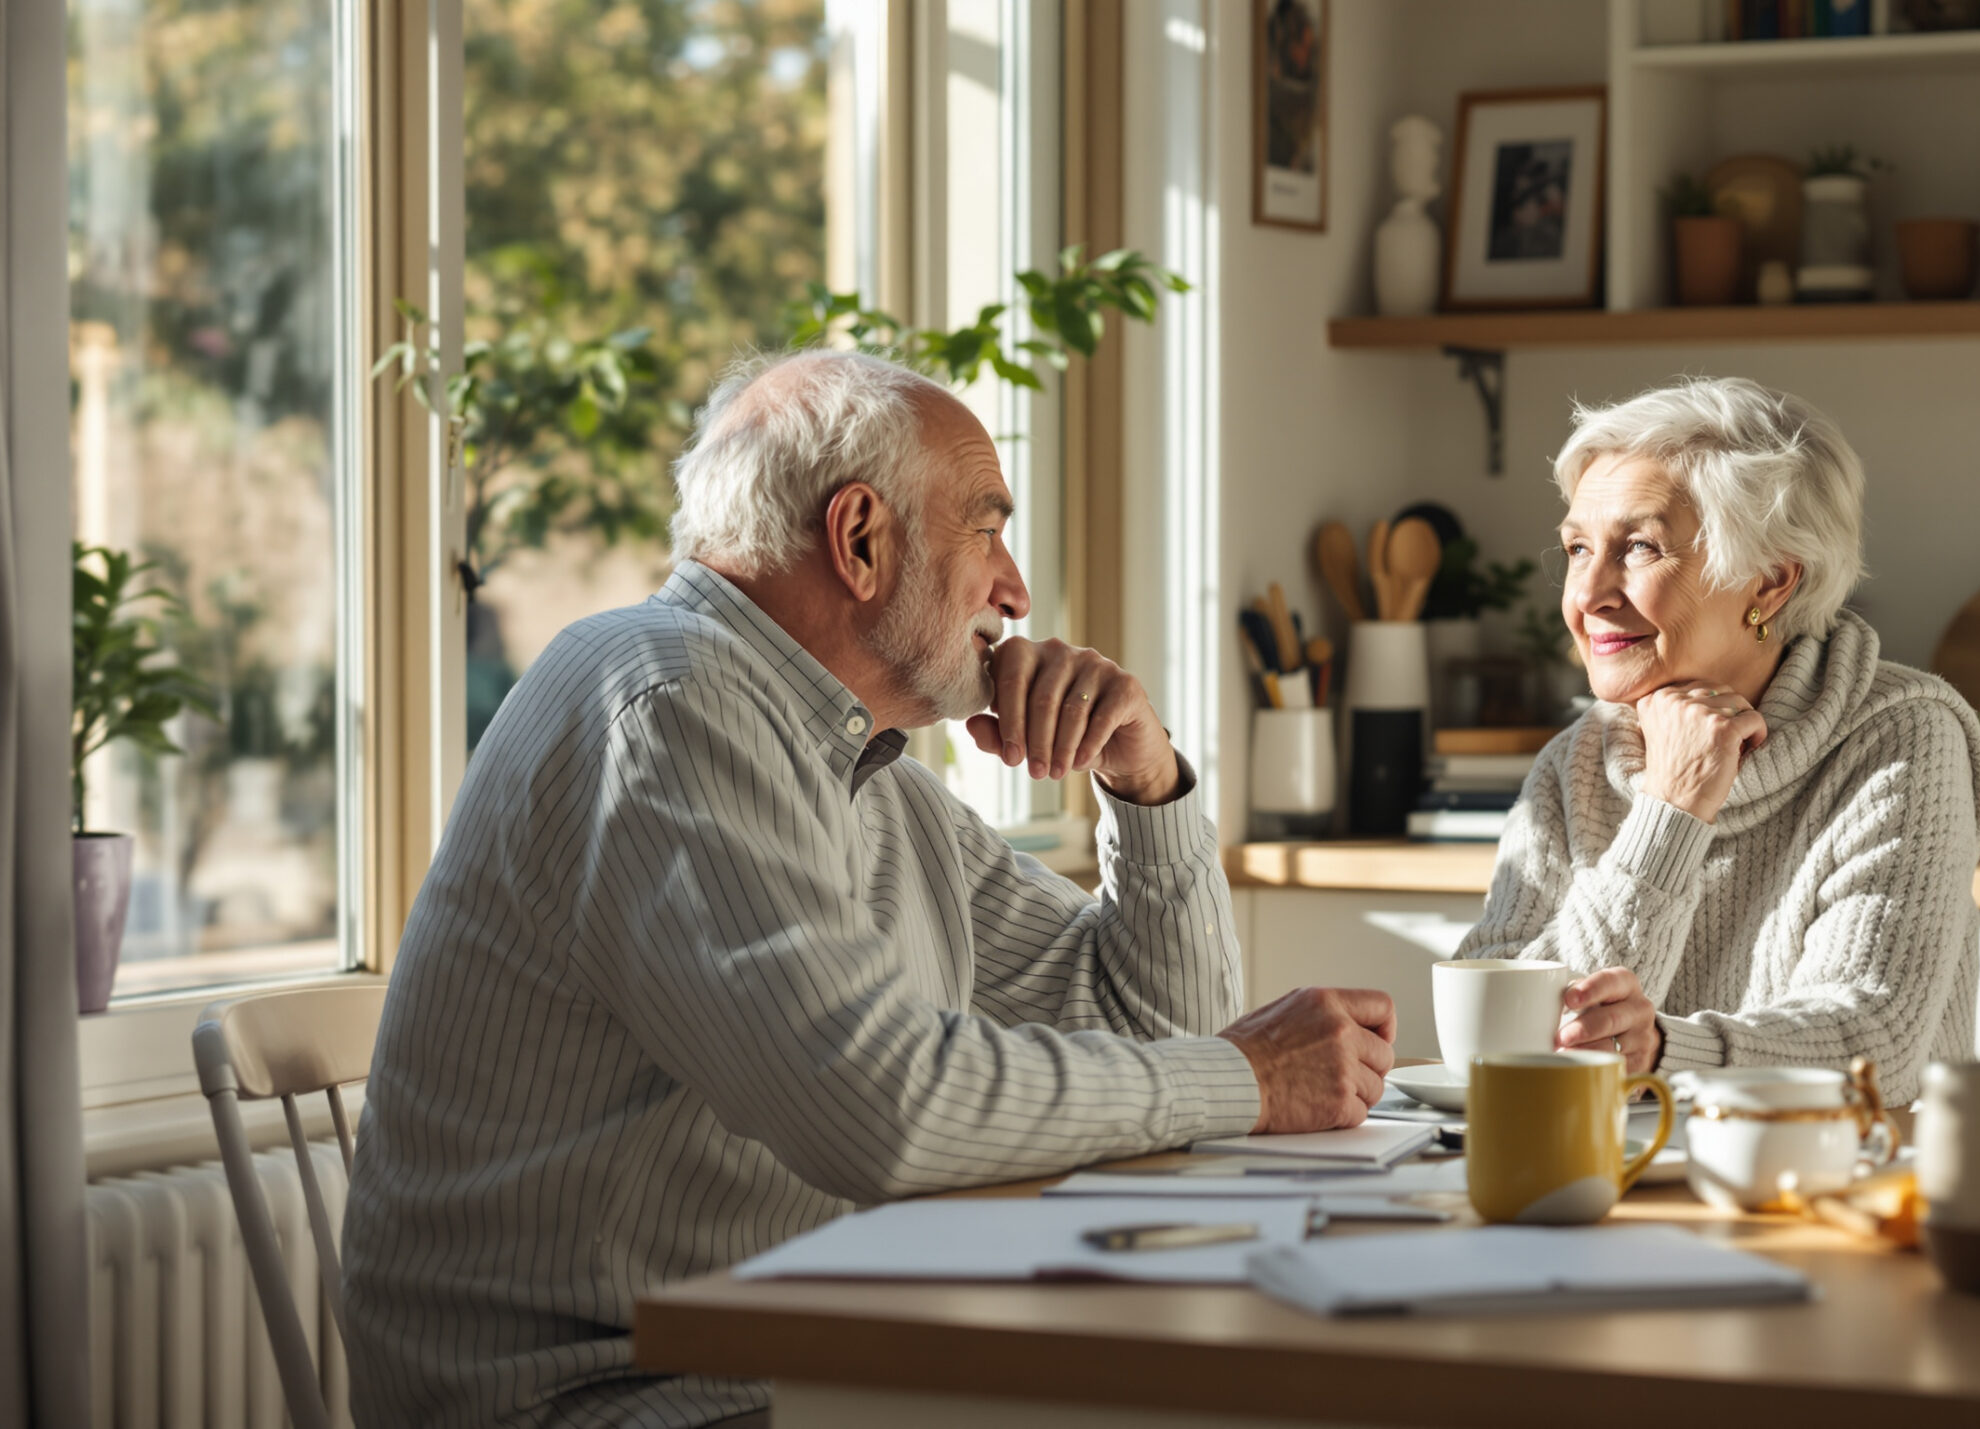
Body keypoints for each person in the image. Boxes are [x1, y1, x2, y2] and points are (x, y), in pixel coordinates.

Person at [341, 350, 1394, 1428]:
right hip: (611, 1397)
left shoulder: (853, 764)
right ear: (858, 539)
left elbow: (1161, 1027)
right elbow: (878, 1110)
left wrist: (1146, 780)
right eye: (986, 530)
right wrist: (1248, 1079)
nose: (1017, 589)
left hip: (792, 1367)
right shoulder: (669, 700)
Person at [1454, 375, 1980, 1107]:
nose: (1587, 596)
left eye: (1639, 547)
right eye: (1578, 548)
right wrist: (1668, 810)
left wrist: (1668, 1053)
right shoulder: (1575, 764)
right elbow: (1494, 1042)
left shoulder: (1901, 738)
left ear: (1770, 582)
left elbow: (1876, 1043)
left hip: (1830, 1195)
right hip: (1598, 1180)